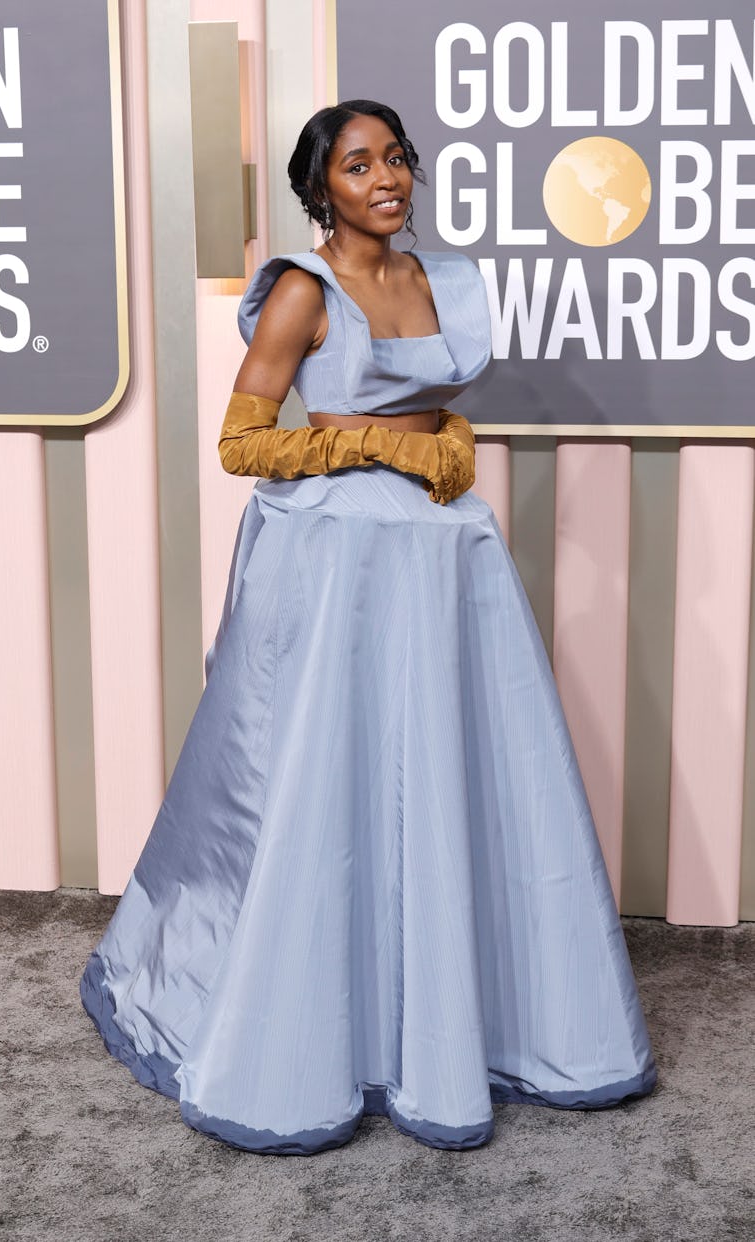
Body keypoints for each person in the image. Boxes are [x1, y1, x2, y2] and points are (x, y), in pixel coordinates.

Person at [81, 100, 657, 1156]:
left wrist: (442, 438)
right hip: (335, 560)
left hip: (441, 557)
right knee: (325, 777)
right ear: (321, 189)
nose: (386, 177)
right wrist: (374, 451)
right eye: (358, 164)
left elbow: (426, 403)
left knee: (454, 769)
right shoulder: (302, 291)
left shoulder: (442, 278)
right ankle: (303, 1022)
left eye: (396, 158)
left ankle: (453, 1018)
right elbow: (244, 444)